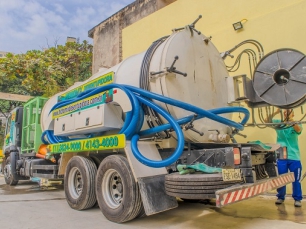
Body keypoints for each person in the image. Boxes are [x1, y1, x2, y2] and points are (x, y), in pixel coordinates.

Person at [270, 109, 303, 207]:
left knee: (296, 179)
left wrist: (291, 121)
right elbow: (267, 119)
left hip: (294, 157)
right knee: (281, 178)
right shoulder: (278, 123)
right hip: (281, 156)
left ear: (293, 113)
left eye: (289, 111)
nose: (287, 113)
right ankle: (280, 197)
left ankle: (297, 199)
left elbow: (298, 130)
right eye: (285, 111)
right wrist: (276, 111)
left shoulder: (296, 124)